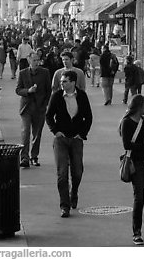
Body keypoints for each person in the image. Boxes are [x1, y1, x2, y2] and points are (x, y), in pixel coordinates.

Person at [45, 70, 93, 217]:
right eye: (61, 82)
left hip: (76, 139)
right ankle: (64, 205)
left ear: (73, 82)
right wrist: (55, 131)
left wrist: (82, 134)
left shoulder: (82, 96)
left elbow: (88, 117)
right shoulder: (57, 96)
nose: (62, 84)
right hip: (61, 139)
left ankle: (74, 192)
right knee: (62, 173)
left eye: (65, 81)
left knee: (77, 171)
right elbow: (48, 115)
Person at [120, 95, 144, 245]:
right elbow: (127, 145)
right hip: (135, 163)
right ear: (139, 106)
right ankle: (137, 232)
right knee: (139, 197)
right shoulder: (126, 122)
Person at [15, 51, 52, 168]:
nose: (36, 62)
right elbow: (18, 90)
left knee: (37, 134)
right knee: (25, 133)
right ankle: (24, 157)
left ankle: (34, 156)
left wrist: (45, 104)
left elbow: (48, 90)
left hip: (39, 108)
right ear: (29, 61)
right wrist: (28, 91)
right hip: (26, 108)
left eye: (38, 60)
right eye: (34, 60)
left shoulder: (45, 72)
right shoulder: (23, 73)